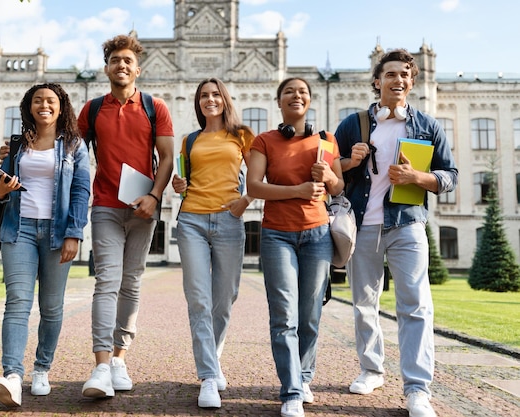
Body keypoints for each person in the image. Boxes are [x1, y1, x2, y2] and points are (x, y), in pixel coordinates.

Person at [334, 49, 458, 417]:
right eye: (391, 74)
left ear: (412, 82)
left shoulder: (427, 125)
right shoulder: (351, 125)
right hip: (363, 224)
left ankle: (418, 389)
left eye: (405, 74)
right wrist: (348, 161)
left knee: (416, 306)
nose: (398, 80)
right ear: (377, 81)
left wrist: (417, 178)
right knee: (363, 304)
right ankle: (372, 370)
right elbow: (330, 177)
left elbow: (450, 175)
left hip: (407, 224)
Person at [77, 34, 174, 398]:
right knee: (107, 282)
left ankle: (119, 358)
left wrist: (154, 195)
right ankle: (101, 365)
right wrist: (20, 144)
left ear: (137, 68)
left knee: (131, 283)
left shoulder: (154, 106)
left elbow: (166, 158)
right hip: (105, 205)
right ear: (107, 67)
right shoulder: (91, 109)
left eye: (127, 60)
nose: (121, 65)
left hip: (143, 207)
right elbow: (68, 150)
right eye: (115, 60)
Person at [246, 77, 344, 417]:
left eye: (302, 91)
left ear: (310, 100)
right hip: (277, 235)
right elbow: (255, 187)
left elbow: (338, 186)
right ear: (279, 101)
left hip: (317, 235)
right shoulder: (264, 141)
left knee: (311, 315)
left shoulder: (326, 140)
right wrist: (298, 191)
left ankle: (304, 378)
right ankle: (290, 391)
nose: (296, 96)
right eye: (289, 91)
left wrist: (328, 178)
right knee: (284, 316)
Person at [0, 83, 91, 407]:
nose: (43, 105)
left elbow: (80, 191)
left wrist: (74, 233)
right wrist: (2, 189)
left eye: (50, 100)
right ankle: (13, 376)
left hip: (58, 233)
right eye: (37, 100)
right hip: (18, 230)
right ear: (29, 106)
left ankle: (42, 368)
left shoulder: (75, 145)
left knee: (51, 307)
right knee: (17, 300)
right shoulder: (17, 145)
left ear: (61, 106)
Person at [171, 78, 255, 409]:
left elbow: (260, 175)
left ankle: (213, 356)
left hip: (229, 220)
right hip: (191, 219)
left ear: (225, 99)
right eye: (204, 96)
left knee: (226, 296)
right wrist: (179, 184)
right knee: (198, 299)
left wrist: (246, 200)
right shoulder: (189, 140)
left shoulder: (242, 136)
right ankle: (208, 376)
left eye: (215, 94)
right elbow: (183, 180)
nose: (210, 99)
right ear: (198, 102)